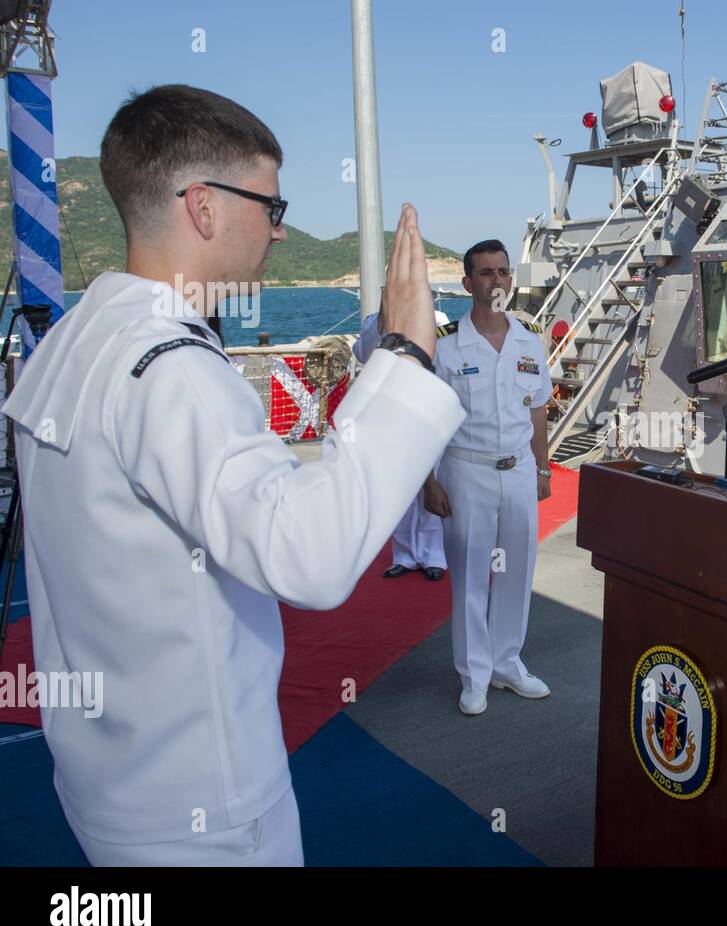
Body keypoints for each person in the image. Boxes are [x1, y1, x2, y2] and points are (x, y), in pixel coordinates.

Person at [1, 84, 463, 866]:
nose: (280, 233)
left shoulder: (78, 339)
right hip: (203, 815)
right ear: (205, 207)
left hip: (110, 784)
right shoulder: (172, 369)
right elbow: (311, 556)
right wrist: (409, 355)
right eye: (272, 208)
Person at [422, 239, 552, 716]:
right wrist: (428, 482)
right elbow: (428, 418)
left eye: (502, 272)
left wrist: (542, 467)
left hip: (518, 470)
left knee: (516, 573)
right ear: (467, 283)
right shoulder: (448, 346)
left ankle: (507, 665)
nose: (496, 280)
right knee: (472, 578)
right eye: (485, 273)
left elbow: (537, 409)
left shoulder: (528, 341)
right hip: (466, 471)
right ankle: (474, 676)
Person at [353, 295, 452, 581]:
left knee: (431, 483)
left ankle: (434, 555)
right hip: (391, 412)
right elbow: (364, 353)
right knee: (400, 490)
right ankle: (405, 555)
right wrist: (386, 307)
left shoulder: (439, 321)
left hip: (427, 408)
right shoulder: (376, 322)